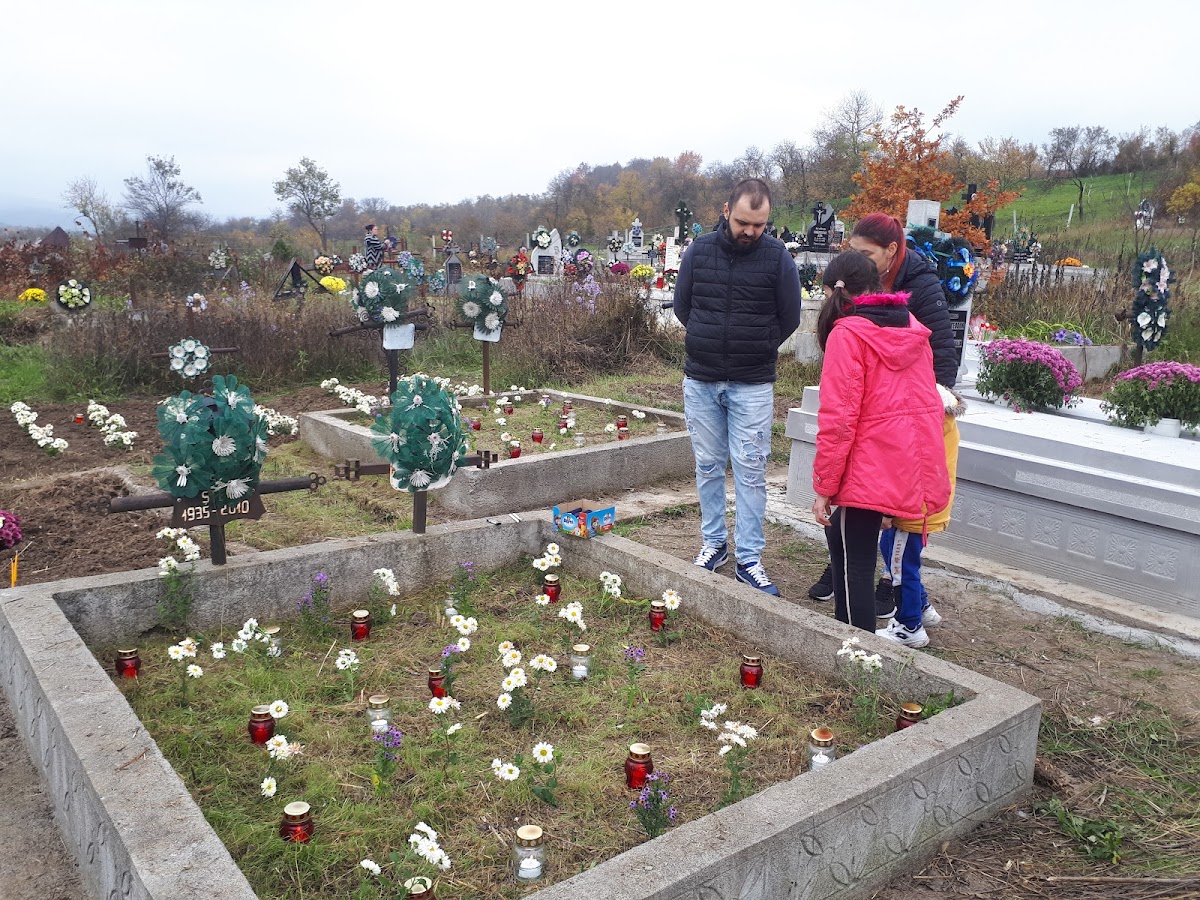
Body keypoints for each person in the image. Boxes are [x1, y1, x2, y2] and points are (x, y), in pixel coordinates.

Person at [808, 212, 957, 603]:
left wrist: (824, 487)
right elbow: (918, 409)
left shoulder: (847, 335)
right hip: (893, 462)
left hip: (863, 465)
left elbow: (839, 419)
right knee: (850, 552)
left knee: (854, 567)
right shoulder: (911, 328)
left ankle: (855, 639)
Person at [674, 178, 802, 596]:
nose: (750, 231)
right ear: (727, 211)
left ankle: (749, 558)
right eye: (743, 222)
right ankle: (714, 544)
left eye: (759, 225)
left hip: (752, 384)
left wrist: (759, 344)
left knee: (750, 472)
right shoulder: (699, 251)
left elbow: (790, 316)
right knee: (709, 466)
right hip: (702, 379)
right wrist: (707, 338)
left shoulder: (777, 257)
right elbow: (683, 306)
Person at [875, 382, 964, 647]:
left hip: (912, 509)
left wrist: (888, 510)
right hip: (923, 504)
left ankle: (909, 625)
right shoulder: (941, 415)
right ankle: (921, 606)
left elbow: (907, 465)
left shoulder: (922, 416)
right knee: (893, 552)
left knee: (901, 567)